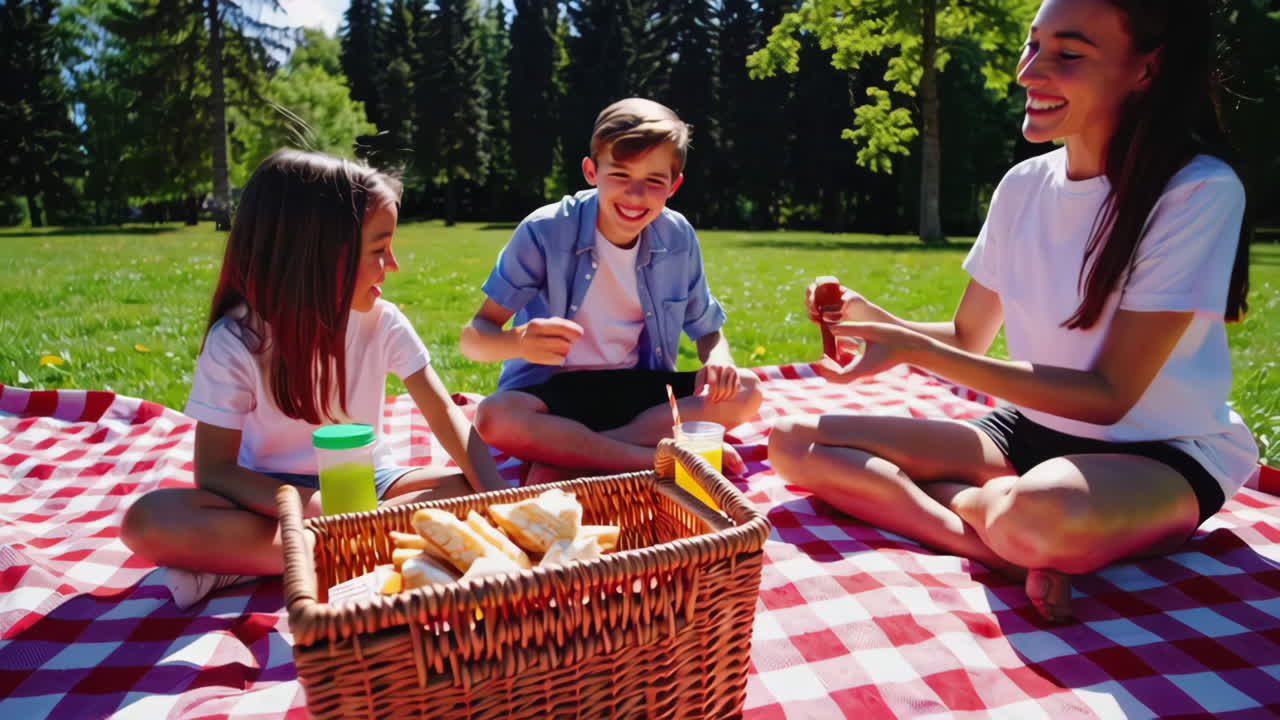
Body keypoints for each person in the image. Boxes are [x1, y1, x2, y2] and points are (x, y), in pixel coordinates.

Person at [768, 0, 1257, 622]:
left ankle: (975, 510)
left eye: (1068, 54)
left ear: (1146, 69)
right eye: (1033, 47)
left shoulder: (1197, 191)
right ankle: (993, 546)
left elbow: (1109, 396)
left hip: (1162, 450)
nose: (1029, 72)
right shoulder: (1023, 185)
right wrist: (876, 321)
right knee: (794, 442)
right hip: (1027, 434)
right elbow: (968, 337)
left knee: (1044, 514)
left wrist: (919, 354)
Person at [122, 150, 507, 607]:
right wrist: (310, 506)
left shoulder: (383, 322)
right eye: (380, 250)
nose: (395, 265)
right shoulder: (238, 341)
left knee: (465, 488)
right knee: (148, 520)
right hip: (266, 495)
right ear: (318, 257)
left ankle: (260, 564)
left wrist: (499, 498)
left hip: (370, 484)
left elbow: (445, 412)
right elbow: (215, 470)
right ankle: (349, 546)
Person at [460, 98, 762, 482]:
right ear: (591, 170)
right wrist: (518, 341)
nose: (635, 196)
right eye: (619, 174)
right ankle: (657, 459)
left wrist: (721, 360)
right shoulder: (545, 230)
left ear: (675, 184)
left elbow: (707, 329)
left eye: (654, 181)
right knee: (494, 417)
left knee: (746, 390)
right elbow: (474, 338)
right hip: (553, 395)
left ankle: (573, 458)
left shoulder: (678, 235)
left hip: (640, 392)